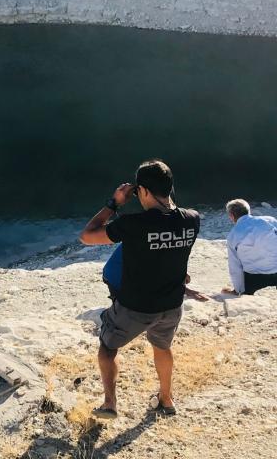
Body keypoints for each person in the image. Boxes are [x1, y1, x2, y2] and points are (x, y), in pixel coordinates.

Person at [79, 159, 199, 419]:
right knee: (162, 348)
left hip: (135, 307)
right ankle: (166, 399)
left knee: (108, 349)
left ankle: (110, 403)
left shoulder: (133, 225)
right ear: (170, 187)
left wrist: (114, 203)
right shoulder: (192, 219)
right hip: (171, 306)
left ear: (141, 191)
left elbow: (87, 236)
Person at [103, 243, 207, 303]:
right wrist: (185, 289)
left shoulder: (158, 237)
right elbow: (155, 271)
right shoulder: (148, 239)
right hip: (116, 276)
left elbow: (165, 263)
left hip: (127, 272)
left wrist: (181, 275)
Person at [221, 199, 277, 295]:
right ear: (249, 211)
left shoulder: (233, 235)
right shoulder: (270, 220)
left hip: (253, 280)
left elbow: (235, 267)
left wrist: (238, 290)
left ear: (231, 216)